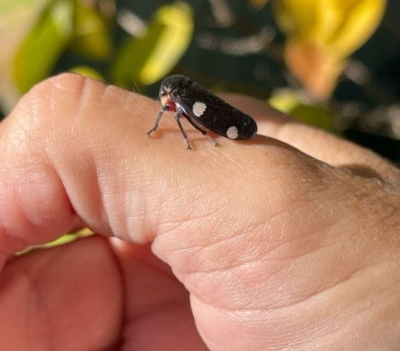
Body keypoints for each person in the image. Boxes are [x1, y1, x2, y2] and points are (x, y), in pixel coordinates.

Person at [0, 73, 399, 351]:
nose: (165, 103)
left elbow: (185, 116)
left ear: (172, 94)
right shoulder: (177, 99)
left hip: (225, 123)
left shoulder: (177, 102)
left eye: (167, 98)